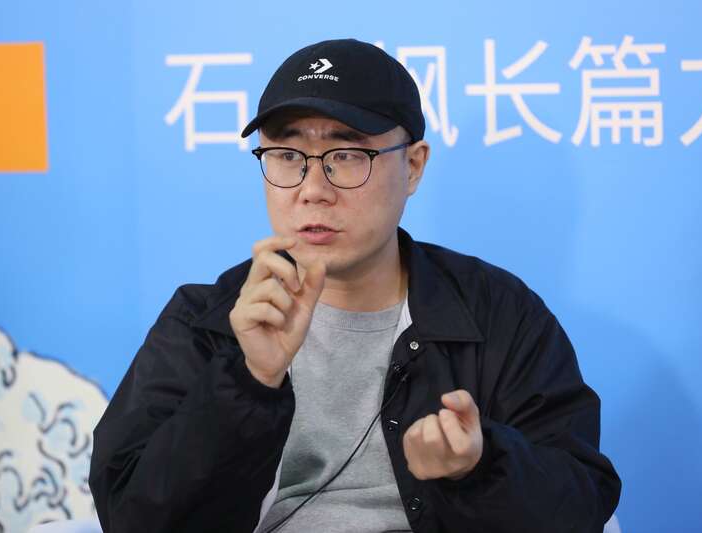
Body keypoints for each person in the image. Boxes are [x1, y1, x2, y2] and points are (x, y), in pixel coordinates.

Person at [88, 38, 621, 533]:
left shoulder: (497, 313)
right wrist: (247, 382)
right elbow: (132, 516)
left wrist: (479, 465)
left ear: (413, 166)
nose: (312, 189)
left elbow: (581, 503)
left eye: (346, 156)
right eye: (287, 156)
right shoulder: (206, 321)